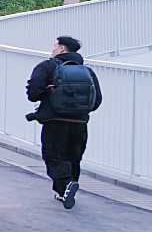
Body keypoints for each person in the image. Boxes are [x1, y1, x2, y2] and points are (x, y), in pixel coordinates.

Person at [26, 35, 103, 209]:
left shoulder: (47, 66)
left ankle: (65, 186)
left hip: (55, 121)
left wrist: (47, 93)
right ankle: (68, 189)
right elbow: (97, 100)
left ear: (62, 49)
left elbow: (32, 94)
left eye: (54, 46)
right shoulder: (87, 72)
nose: (52, 50)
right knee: (73, 157)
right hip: (80, 123)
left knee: (53, 156)